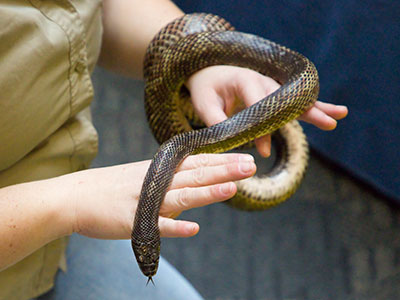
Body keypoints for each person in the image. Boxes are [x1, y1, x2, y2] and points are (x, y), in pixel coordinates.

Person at [0, 1, 347, 299]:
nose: (146, 264)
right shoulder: (75, 203)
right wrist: (69, 203)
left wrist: (199, 58)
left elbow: (85, 11)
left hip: (61, 234)